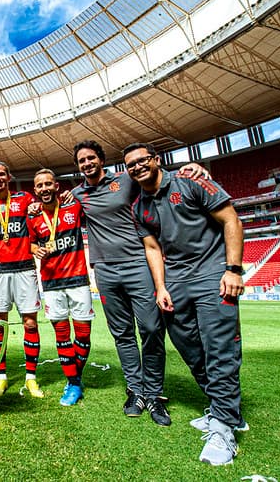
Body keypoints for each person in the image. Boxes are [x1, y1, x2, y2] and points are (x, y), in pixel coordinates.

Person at [70, 140, 212, 426]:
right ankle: (135, 390)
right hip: (105, 271)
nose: (87, 163)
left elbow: (156, 178)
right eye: (81, 161)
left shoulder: (126, 180)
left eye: (91, 158)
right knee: (122, 334)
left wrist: (190, 169)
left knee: (151, 329)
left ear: (101, 160)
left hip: (138, 264)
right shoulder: (77, 194)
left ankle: (154, 393)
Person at [124, 142, 245, 466]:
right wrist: (161, 286)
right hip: (176, 281)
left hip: (212, 273)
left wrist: (233, 269)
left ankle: (223, 427)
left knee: (219, 348)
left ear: (156, 160)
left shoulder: (191, 181)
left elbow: (231, 220)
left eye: (142, 160)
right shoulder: (139, 207)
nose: (137, 167)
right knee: (189, 347)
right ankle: (224, 408)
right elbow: (152, 248)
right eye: (130, 165)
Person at [28, 169, 93, 406]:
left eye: (48, 184)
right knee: (63, 336)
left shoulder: (73, 206)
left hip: (78, 279)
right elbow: (31, 244)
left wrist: (72, 193)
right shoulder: (33, 217)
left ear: (56, 186)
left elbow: (88, 192)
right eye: (40, 185)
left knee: (83, 334)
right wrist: (36, 250)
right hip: (52, 283)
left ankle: (75, 376)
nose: (44, 188)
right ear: (35, 190)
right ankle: (73, 383)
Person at [0, 161, 43, 398]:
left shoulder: (24, 198)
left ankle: (31, 378)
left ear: (9, 176)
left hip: (25, 268)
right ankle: (1, 377)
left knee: (30, 323)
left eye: (1, 174)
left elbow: (37, 214)